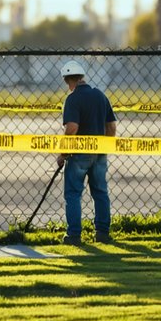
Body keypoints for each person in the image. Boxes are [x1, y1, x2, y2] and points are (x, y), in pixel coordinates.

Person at [57, 60, 117, 245]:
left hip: (79, 155)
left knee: (73, 193)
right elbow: (112, 126)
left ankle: (74, 235)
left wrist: (63, 153)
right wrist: (105, 145)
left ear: (68, 80)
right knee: (100, 192)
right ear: (82, 76)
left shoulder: (73, 99)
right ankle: (102, 233)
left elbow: (72, 128)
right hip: (100, 152)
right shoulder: (100, 95)